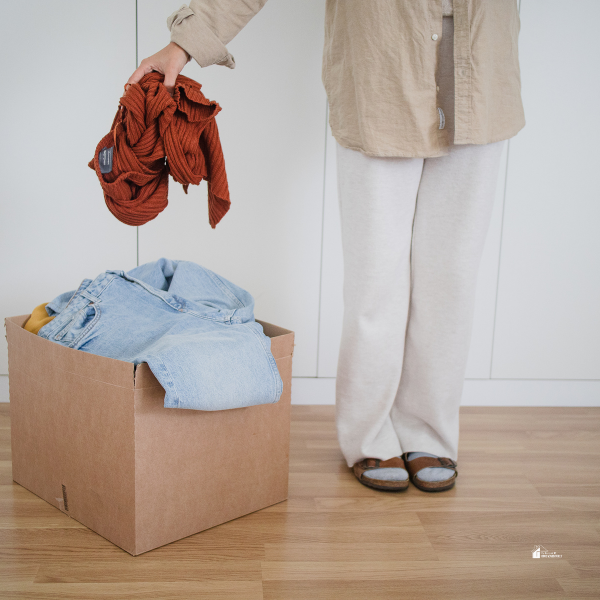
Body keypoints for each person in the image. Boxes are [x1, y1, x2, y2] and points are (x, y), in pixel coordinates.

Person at [127, 0, 525, 492]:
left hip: (481, 70)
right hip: (382, 71)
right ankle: (369, 434)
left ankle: (428, 430)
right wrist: (185, 41)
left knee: (451, 279)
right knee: (376, 282)